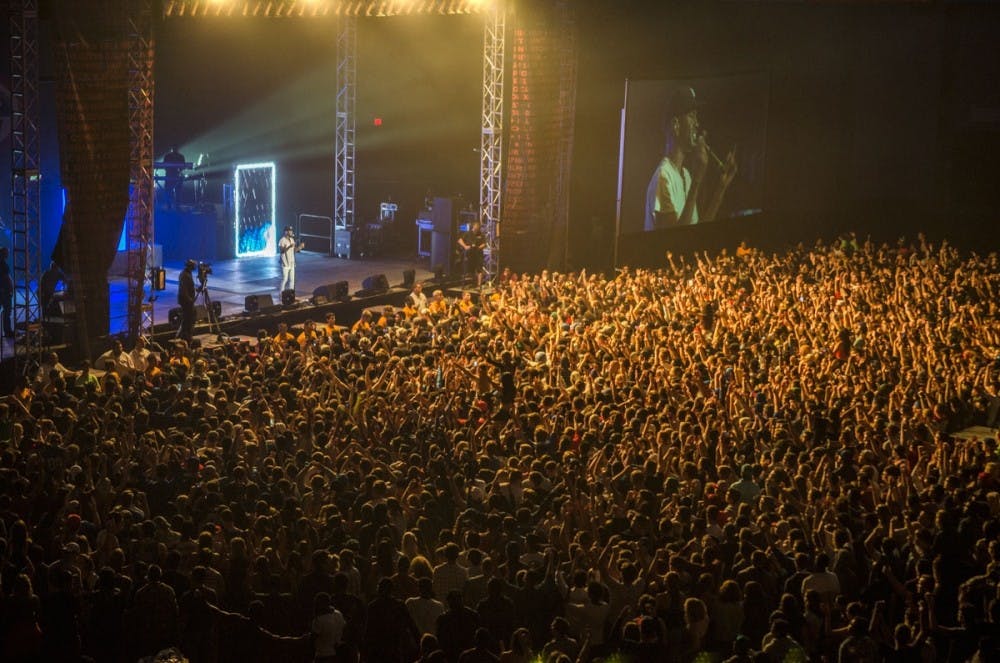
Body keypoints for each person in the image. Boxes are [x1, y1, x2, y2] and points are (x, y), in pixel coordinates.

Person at [644, 86, 737, 229]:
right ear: (676, 125)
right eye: (692, 116)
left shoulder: (685, 175)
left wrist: (721, 187)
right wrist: (698, 178)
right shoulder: (664, 177)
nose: (697, 123)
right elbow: (676, 242)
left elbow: (696, 233)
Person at [457, 220, 486, 287]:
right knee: (470, 269)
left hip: (478, 254)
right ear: (474, 226)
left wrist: (479, 247)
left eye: (479, 226)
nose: (478, 227)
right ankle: (471, 282)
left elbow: (484, 244)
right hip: (469, 254)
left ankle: (479, 285)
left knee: (479, 269)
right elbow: (459, 240)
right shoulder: (467, 233)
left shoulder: (481, 235)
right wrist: (465, 246)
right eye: (477, 226)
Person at [279, 225, 304, 294]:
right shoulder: (282, 240)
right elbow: (281, 251)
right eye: (290, 231)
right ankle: (281, 293)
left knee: (292, 280)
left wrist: (300, 247)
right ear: (286, 232)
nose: (291, 232)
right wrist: (289, 246)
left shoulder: (292, 240)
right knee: (285, 279)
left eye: (291, 231)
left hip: (292, 262)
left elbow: (294, 250)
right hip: (285, 263)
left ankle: (291, 294)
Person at [177, 259, 197, 342]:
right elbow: (184, 289)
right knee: (188, 317)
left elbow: (189, 287)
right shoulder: (185, 275)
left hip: (187, 299)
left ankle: (187, 334)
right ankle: (185, 335)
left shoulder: (188, 273)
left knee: (190, 316)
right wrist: (189, 299)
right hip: (185, 300)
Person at [0, 246, 14, 338]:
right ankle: (7, 331)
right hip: (5, 291)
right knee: (7, 311)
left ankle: (7, 331)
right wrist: (11, 288)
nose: (8, 254)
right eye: (7, 252)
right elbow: (7, 278)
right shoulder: (3, 265)